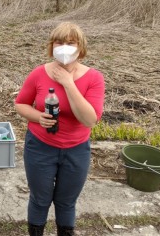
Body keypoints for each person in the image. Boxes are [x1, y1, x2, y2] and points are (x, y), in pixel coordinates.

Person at [14, 22, 105, 236]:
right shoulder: (38, 73)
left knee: (66, 201)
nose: (64, 47)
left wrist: (68, 83)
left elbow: (90, 120)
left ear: (80, 47)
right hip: (40, 147)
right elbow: (20, 104)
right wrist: (38, 117)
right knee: (40, 199)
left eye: (70, 43)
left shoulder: (94, 78)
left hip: (76, 150)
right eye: (59, 42)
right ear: (52, 46)